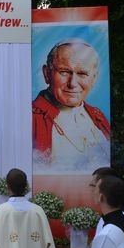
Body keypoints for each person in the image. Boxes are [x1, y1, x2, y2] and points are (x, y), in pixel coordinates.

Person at [33, 39, 110, 168]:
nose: (73, 83)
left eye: (82, 73)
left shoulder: (98, 117)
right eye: (64, 72)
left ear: (94, 78)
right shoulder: (31, 117)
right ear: (47, 74)